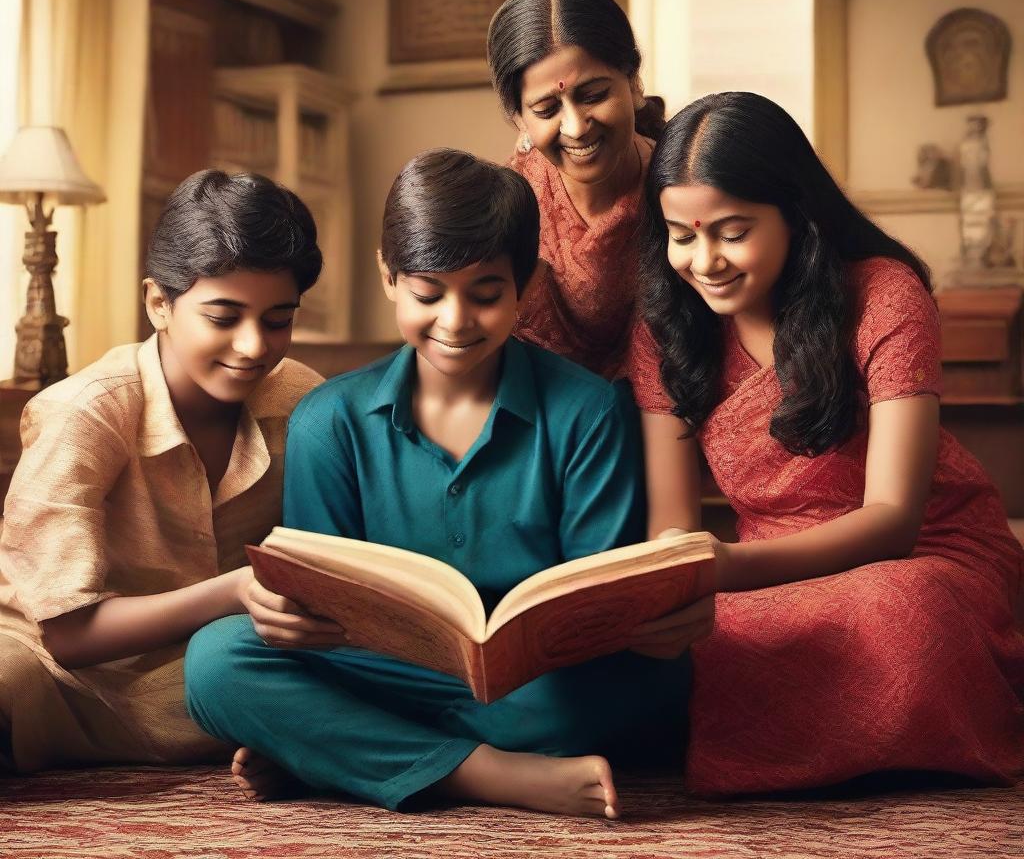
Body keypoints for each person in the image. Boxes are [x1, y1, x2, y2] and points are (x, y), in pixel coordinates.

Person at [184, 149, 707, 818]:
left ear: (525, 285)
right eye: (428, 294)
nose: (456, 321)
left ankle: (338, 753)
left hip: (542, 685)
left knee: (657, 679)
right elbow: (325, 604)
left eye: (486, 295)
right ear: (389, 278)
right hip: (387, 675)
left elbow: (596, 606)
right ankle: (488, 775)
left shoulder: (587, 411)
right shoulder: (330, 419)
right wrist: (295, 620)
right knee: (217, 661)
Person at [630, 91, 1024, 794]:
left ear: (796, 215)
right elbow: (672, 525)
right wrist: (676, 582)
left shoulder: (883, 296)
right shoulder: (664, 324)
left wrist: (718, 571)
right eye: (682, 235)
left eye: (731, 230)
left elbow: (893, 521)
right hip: (765, 569)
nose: (704, 260)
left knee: (902, 618)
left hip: (923, 554)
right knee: (687, 643)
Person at [0, 169, 324, 772]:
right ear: (159, 303)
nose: (254, 345)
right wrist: (231, 593)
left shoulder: (302, 397)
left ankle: (287, 737)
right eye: (224, 317)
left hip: (211, 667)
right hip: (58, 674)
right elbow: (65, 634)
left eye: (278, 320)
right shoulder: (85, 411)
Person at [487, 0, 665, 380]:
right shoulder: (503, 209)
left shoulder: (683, 187)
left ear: (634, 82)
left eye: (593, 95)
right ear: (519, 118)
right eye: (547, 109)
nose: (577, 127)